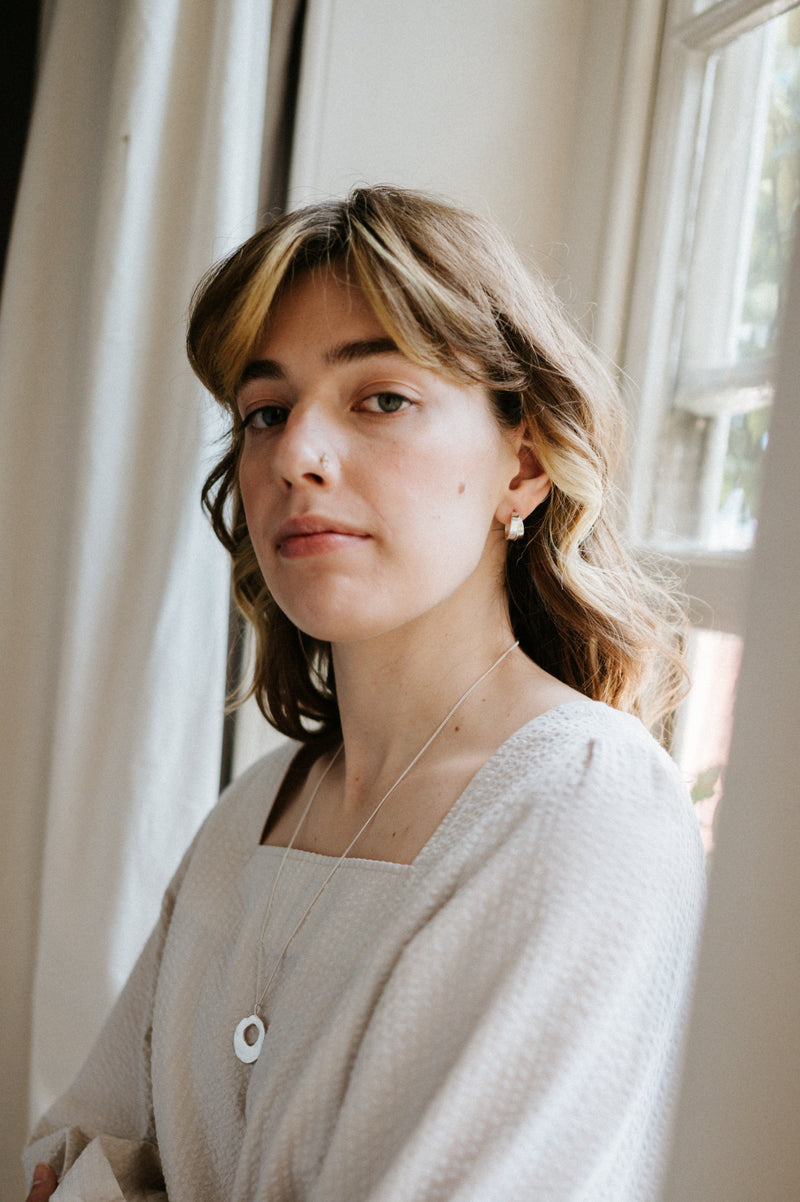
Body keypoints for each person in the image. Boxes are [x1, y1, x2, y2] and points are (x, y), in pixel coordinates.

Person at [23, 186, 705, 1201]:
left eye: (379, 397)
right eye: (263, 411)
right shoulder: (256, 812)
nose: (294, 454)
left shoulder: (585, 807)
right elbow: (67, 1157)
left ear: (521, 462)